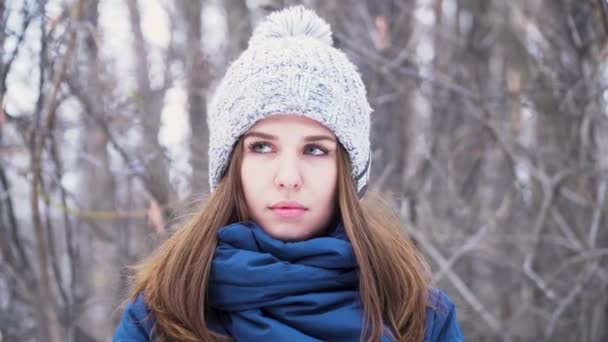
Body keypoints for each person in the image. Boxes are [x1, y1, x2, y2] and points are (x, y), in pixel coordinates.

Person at [113, 6, 463, 342]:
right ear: (231, 166)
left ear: (347, 169)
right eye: (262, 147)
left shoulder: (417, 316)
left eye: (315, 150)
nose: (288, 177)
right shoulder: (164, 311)